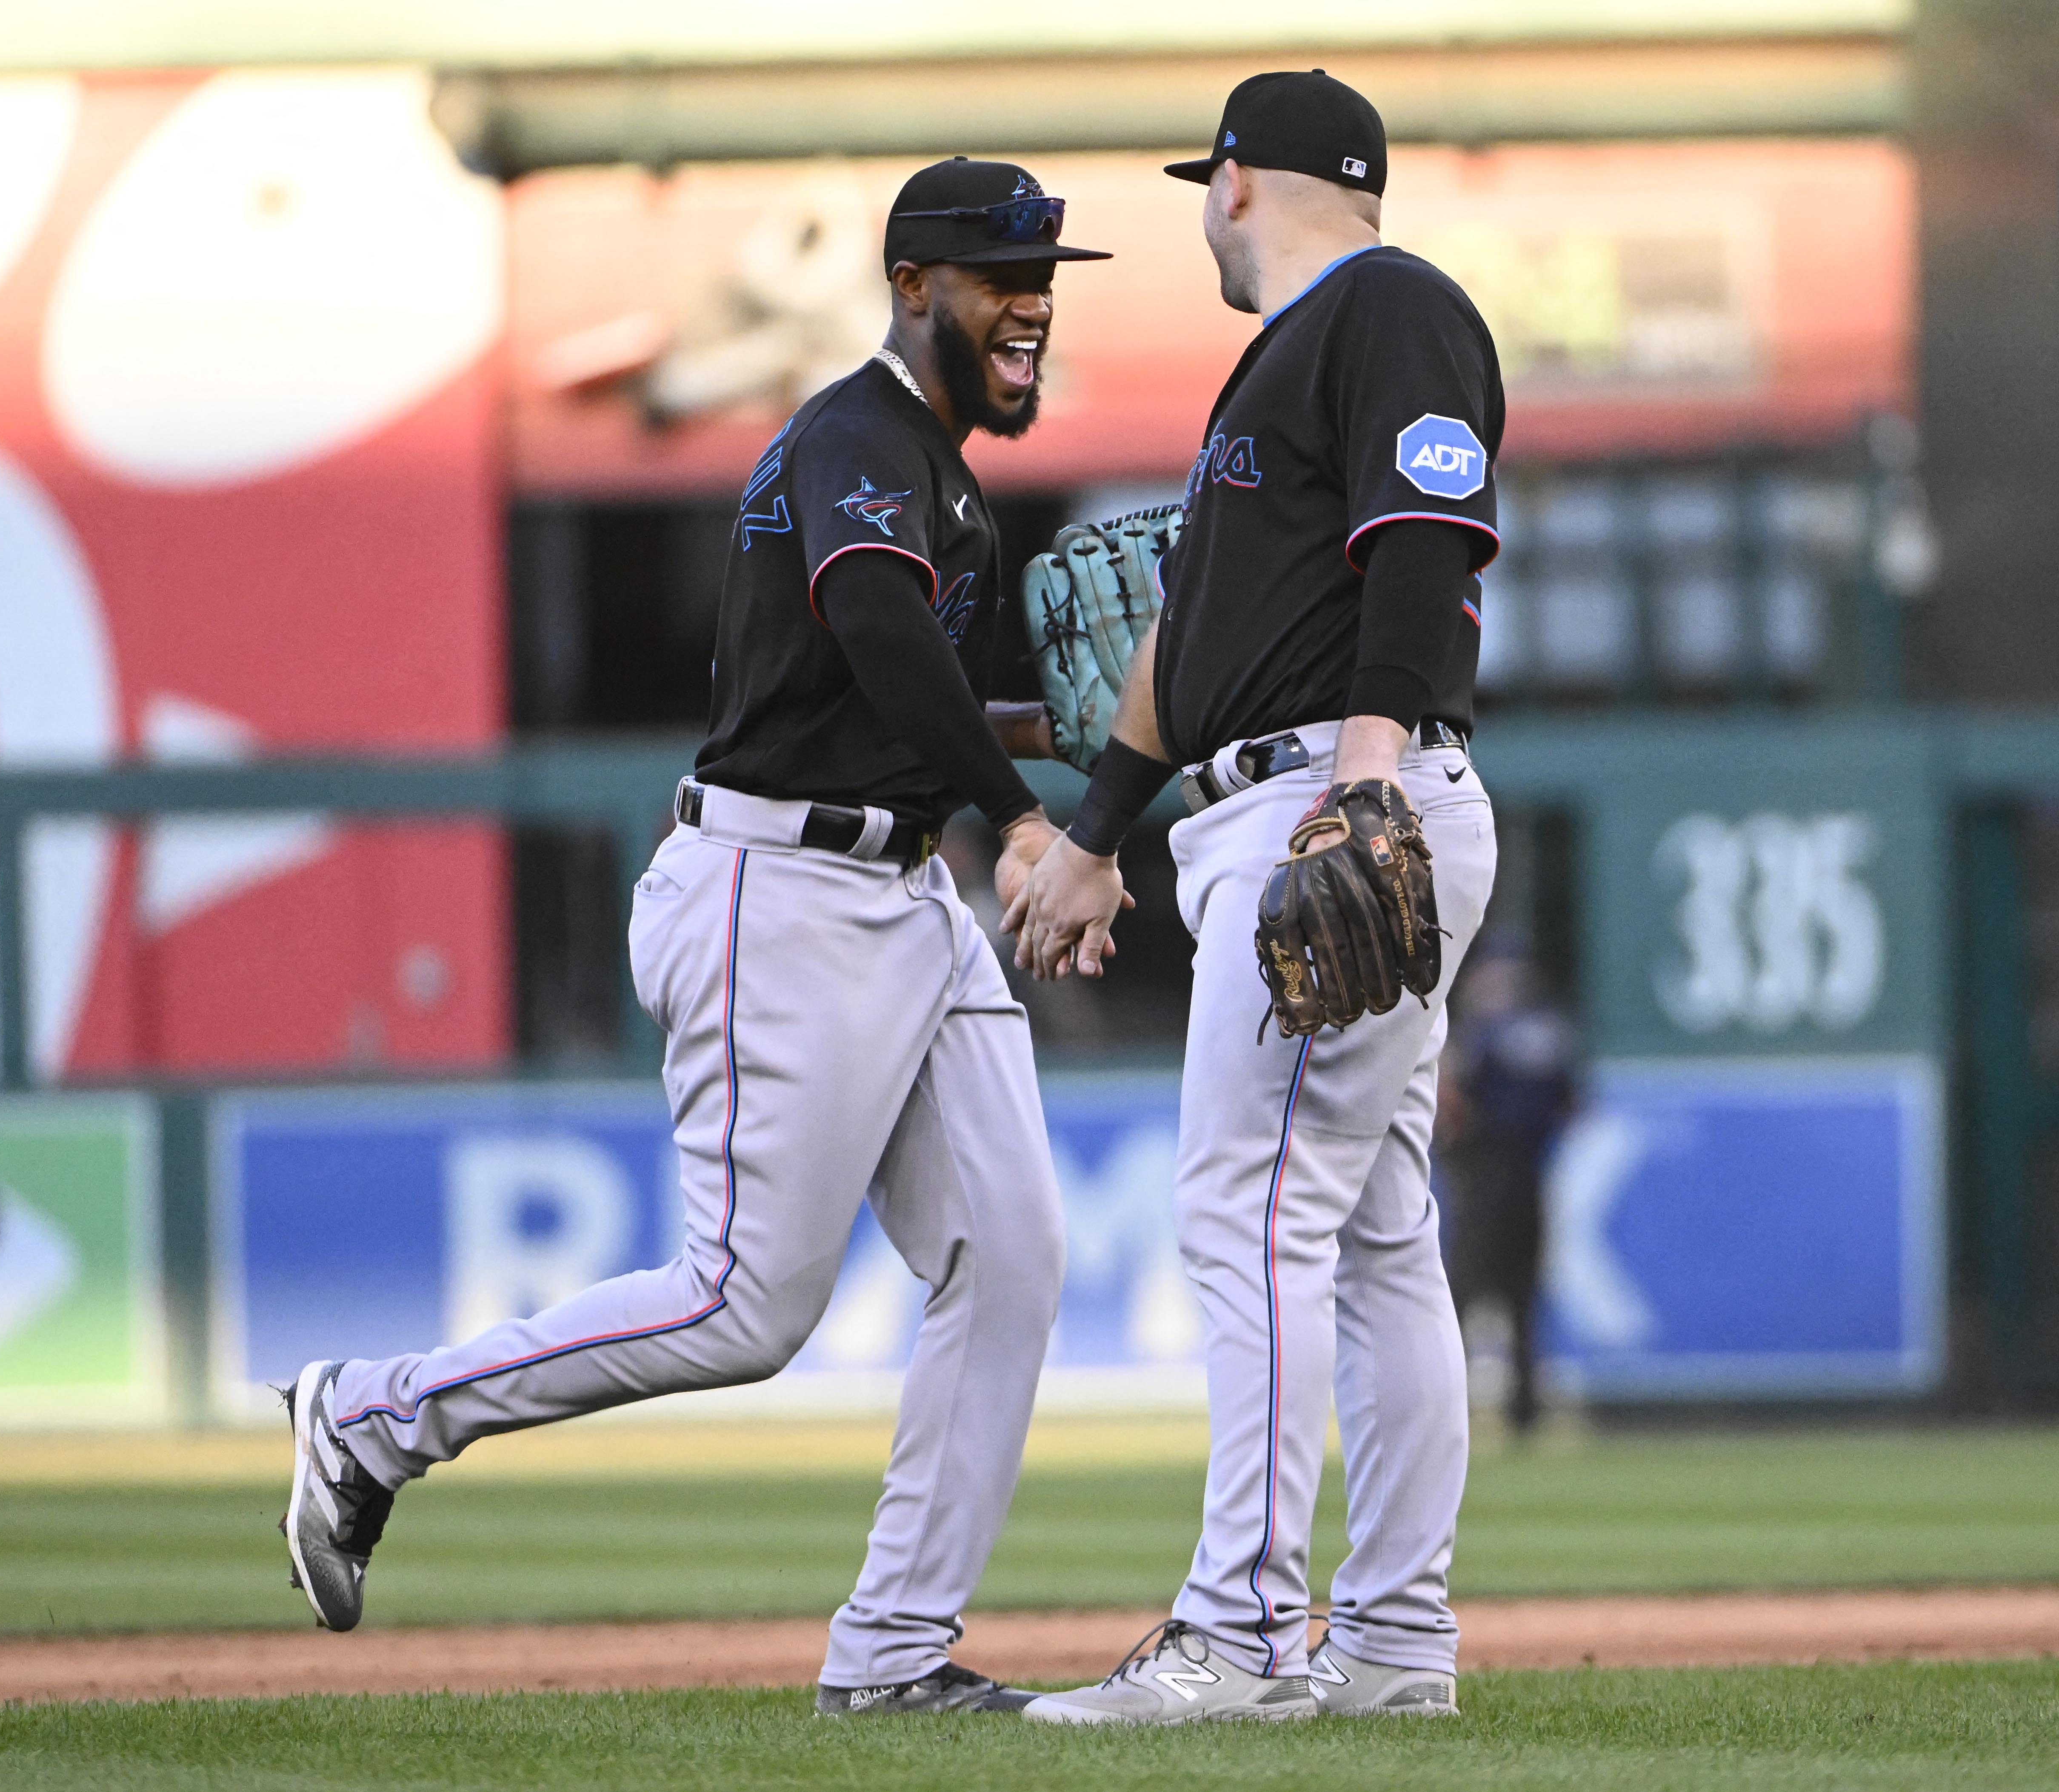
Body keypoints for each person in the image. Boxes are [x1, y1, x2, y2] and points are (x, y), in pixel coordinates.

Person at [277, 158, 1110, 1718]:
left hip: (900, 892)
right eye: (1005, 275)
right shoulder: (856, 435)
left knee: (1011, 1255)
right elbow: (872, 628)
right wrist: (1018, 812)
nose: (1036, 304)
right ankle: (372, 1418)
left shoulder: (937, 475)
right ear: (913, 286)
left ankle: (889, 1656)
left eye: (1048, 276)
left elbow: (892, 694)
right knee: (743, 1306)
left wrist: (1069, 729)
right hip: (777, 891)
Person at [1007, 71, 1505, 1723]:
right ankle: (1392, 1638)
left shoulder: (1391, 305)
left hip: (1331, 793)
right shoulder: (1275, 365)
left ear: (1233, 180)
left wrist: (1363, 774)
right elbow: (1178, 651)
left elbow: (1428, 534)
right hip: (1271, 791)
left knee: (1255, 1203)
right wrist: (1094, 830)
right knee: (1368, 1229)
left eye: (1200, 187)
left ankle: (1239, 1628)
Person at [1437, 943, 1581, 1437]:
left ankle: (1440, 1405)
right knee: (1521, 1299)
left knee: (1458, 1297)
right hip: (1529, 1177)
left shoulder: (1480, 1036)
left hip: (1483, 1176)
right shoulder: (1550, 1032)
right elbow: (1574, 1105)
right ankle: (1524, 1411)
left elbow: (1450, 1105)